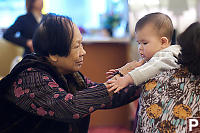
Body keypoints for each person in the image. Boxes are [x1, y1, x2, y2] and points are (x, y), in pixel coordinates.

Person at [0, 13, 141, 133]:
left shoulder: (69, 74)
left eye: (82, 44)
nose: (83, 52)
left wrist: (142, 77)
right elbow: (71, 107)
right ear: (53, 54)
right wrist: (120, 75)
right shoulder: (31, 77)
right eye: (76, 46)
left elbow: (106, 96)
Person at [107, 12, 181, 93]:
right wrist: (121, 72)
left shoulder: (165, 56)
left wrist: (125, 80)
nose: (140, 48)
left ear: (163, 42)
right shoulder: (156, 58)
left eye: (145, 43)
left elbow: (149, 69)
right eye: (138, 43)